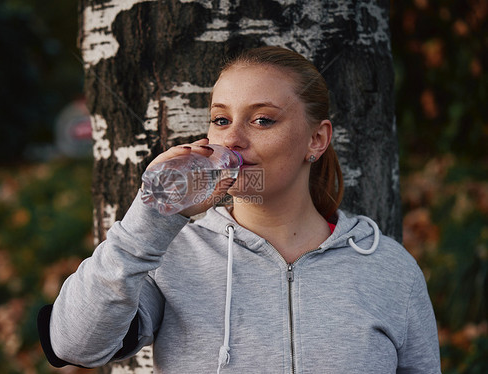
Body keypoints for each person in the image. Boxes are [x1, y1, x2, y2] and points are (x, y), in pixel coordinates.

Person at [38, 46, 441, 373]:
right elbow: (74, 345)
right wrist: (152, 216)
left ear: (316, 140)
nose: (232, 138)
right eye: (220, 119)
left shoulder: (389, 268)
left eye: (263, 120)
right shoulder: (175, 257)